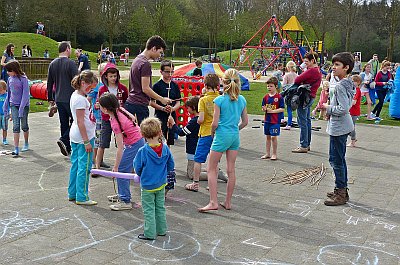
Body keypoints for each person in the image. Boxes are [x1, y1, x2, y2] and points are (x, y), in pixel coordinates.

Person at [198, 69, 248, 212]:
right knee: (231, 170)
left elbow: (214, 123)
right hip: (234, 136)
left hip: (221, 135)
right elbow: (245, 122)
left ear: (223, 83)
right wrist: (235, 129)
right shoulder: (242, 99)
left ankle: (213, 201)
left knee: (211, 168)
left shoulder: (219, 100)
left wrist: (213, 132)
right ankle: (228, 201)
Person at [98, 93, 145, 210]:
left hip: (134, 144)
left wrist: (115, 166)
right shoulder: (120, 110)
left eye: (100, 105)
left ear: (105, 109)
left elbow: (120, 148)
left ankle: (125, 200)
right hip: (138, 140)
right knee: (123, 169)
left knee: (122, 170)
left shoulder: (115, 123)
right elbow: (134, 119)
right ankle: (122, 194)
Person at [321, 52, 355, 206]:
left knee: (336, 160)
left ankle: (341, 192)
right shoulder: (346, 82)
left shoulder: (341, 85)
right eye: (333, 64)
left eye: (337, 65)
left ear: (346, 68)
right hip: (342, 126)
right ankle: (341, 189)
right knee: (339, 159)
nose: (333, 67)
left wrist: (328, 108)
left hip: (339, 127)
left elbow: (343, 108)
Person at [134, 117, 174, 240]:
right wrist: (162, 173)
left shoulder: (143, 151)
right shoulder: (165, 148)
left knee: (149, 210)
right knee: (160, 207)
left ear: (142, 135)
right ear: (160, 132)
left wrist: (141, 175)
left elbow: (137, 167)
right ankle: (161, 230)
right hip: (161, 183)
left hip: (147, 186)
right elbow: (171, 165)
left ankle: (150, 233)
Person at [184, 74, 220, 192]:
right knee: (214, 160)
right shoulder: (220, 98)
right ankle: (212, 183)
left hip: (205, 133)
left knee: (198, 160)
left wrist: (197, 122)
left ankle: (195, 183)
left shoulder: (203, 100)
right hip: (217, 134)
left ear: (205, 85)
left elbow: (201, 119)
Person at [125, 35, 171, 125]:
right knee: (142, 136)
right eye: (160, 52)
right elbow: (145, 88)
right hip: (139, 107)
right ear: (154, 48)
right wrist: (162, 99)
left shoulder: (137, 59)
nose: (160, 55)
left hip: (130, 104)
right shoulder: (145, 64)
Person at [68, 70, 98, 206]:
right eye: (89, 87)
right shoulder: (80, 99)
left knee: (75, 165)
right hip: (83, 137)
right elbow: (81, 122)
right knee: (84, 168)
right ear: (83, 82)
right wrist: (87, 141)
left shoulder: (77, 95)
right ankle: (82, 196)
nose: (90, 90)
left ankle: (72, 193)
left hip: (77, 136)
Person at [47, 41, 79, 156]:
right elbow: (77, 81)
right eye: (70, 49)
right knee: (75, 120)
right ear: (67, 49)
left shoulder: (52, 64)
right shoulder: (70, 64)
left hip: (59, 97)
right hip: (71, 98)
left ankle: (67, 147)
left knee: (64, 122)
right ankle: (65, 140)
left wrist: (50, 97)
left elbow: (49, 82)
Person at [95, 62, 128, 171]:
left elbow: (126, 102)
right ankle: (97, 166)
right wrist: (98, 106)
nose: (113, 78)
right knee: (102, 142)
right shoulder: (102, 89)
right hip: (106, 119)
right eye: (111, 76)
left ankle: (121, 166)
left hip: (119, 119)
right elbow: (99, 103)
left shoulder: (123, 88)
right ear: (105, 76)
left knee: (121, 143)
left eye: (115, 76)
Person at [292, 52, 322, 153]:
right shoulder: (317, 70)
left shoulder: (312, 71)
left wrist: (303, 72)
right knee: (307, 120)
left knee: (302, 121)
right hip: (311, 97)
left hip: (305, 97)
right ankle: (307, 144)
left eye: (306, 62)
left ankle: (303, 145)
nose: (305, 63)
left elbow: (297, 79)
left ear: (312, 61)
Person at [168, 96, 200, 180]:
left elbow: (182, 132)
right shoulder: (199, 119)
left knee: (191, 174)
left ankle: (215, 174)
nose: (187, 110)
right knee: (193, 168)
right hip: (196, 147)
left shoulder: (194, 121)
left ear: (193, 107)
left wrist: (173, 123)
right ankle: (212, 171)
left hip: (193, 149)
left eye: (188, 108)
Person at [2, 61, 30, 156]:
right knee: (16, 126)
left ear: (14, 70)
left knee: (24, 125)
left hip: (24, 105)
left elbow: (26, 95)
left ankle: (26, 143)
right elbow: (9, 94)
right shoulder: (10, 79)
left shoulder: (23, 79)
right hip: (13, 104)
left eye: (8, 71)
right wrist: (5, 105)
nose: (7, 73)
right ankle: (16, 148)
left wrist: (21, 108)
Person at [150, 60, 180, 147]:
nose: (169, 74)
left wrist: (173, 109)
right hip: (160, 116)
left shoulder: (175, 85)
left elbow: (178, 102)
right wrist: (162, 108)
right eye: (167, 72)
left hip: (171, 116)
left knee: (169, 140)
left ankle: (167, 156)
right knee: (159, 138)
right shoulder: (157, 86)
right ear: (161, 72)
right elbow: (151, 102)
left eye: (172, 72)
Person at [87, 62, 106, 174]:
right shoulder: (97, 87)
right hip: (98, 116)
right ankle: (95, 161)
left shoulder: (107, 86)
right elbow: (88, 99)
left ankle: (100, 159)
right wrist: (92, 106)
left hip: (107, 117)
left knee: (103, 140)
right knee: (98, 140)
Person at [261, 77, 284, 161]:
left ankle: (274, 153)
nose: (269, 88)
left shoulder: (279, 97)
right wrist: (264, 109)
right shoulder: (265, 97)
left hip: (275, 121)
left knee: (274, 137)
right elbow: (263, 106)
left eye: (271, 86)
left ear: (276, 86)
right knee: (268, 137)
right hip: (267, 120)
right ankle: (267, 153)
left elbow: (282, 109)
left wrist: (273, 111)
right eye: (268, 86)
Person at [282, 61, 298, 130]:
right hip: (296, 94)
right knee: (295, 109)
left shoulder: (287, 75)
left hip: (289, 94)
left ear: (288, 67)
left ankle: (288, 124)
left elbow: (284, 86)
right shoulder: (297, 76)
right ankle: (297, 122)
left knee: (288, 109)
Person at [348, 75, 362, 147]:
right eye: (352, 81)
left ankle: (353, 140)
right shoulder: (352, 89)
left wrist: (347, 106)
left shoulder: (357, 90)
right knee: (348, 126)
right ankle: (353, 138)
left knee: (351, 126)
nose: (352, 82)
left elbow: (354, 102)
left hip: (354, 111)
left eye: (354, 81)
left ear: (358, 82)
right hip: (350, 110)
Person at [0, 80, 9, 145]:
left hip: (5, 114)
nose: (0, 92)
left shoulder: (7, 95)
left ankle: (4, 139)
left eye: (1, 90)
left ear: (5, 89)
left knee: (4, 128)